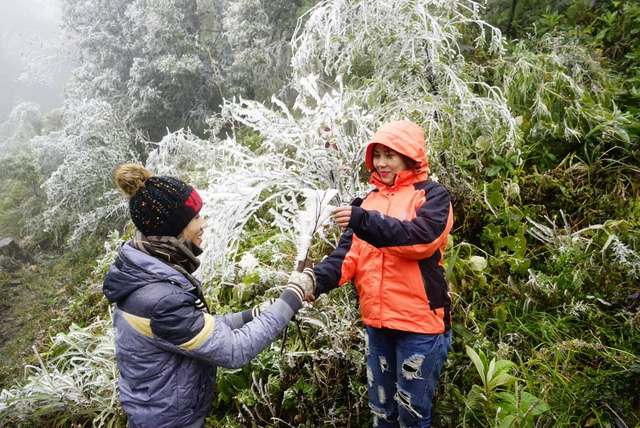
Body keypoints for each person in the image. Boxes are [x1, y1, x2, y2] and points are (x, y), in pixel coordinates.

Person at [103, 164, 315, 428]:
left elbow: (198, 329)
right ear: (173, 229)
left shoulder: (148, 272)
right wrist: (293, 295)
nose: (204, 224)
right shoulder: (160, 299)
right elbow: (234, 350)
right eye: (195, 218)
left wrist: (253, 315)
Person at [312, 121, 454, 428]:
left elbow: (421, 239)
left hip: (419, 327)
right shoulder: (369, 201)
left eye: (390, 154)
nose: (382, 162)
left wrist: (364, 220)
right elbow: (345, 258)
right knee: (381, 412)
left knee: (411, 417)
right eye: (377, 155)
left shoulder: (431, 195)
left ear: (409, 156)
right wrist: (313, 281)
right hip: (378, 326)